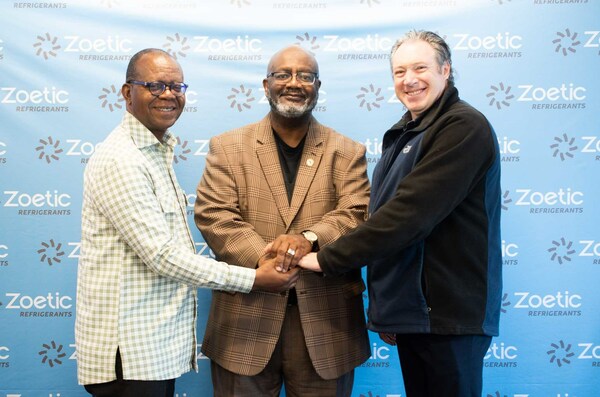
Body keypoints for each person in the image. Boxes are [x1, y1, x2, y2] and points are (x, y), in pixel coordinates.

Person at [75, 48, 299, 397]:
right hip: (129, 354)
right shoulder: (121, 159)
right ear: (126, 92)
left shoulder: (155, 153)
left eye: (177, 87)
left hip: (150, 351)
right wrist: (255, 278)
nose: (168, 94)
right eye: (154, 85)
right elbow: (163, 256)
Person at [298, 30, 502, 397]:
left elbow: (408, 217)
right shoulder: (406, 132)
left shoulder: (462, 126)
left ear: (446, 69)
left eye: (420, 67)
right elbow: (384, 216)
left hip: (446, 316)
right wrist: (390, 309)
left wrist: (327, 259)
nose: (409, 80)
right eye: (399, 71)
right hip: (417, 316)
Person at [194, 45, 371, 397]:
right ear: (266, 84)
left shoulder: (347, 151)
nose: (294, 83)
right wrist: (266, 259)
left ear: (317, 86)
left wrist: (307, 238)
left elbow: (357, 214)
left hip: (326, 324)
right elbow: (214, 214)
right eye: (283, 74)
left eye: (305, 76)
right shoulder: (227, 147)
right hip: (245, 321)